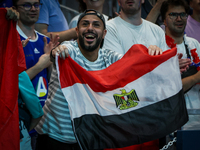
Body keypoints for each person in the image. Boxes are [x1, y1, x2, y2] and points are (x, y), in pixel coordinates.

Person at [35, 9, 163, 150]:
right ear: (77, 31)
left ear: (104, 34)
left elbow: (133, 62)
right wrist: (57, 52)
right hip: (53, 137)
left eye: (96, 25)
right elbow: (60, 51)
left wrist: (150, 52)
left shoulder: (109, 57)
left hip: (88, 139)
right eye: (85, 24)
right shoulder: (69, 51)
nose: (90, 28)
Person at [12, 0, 59, 149]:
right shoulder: (11, 39)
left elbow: (49, 80)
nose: (33, 9)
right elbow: (12, 82)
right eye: (26, 5)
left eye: (36, 5)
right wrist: (41, 65)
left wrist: (50, 63)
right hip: (21, 119)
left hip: (44, 122)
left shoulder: (44, 40)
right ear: (15, 9)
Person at [161, 0, 200, 130]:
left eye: (183, 14)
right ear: (164, 21)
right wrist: (196, 77)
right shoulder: (157, 47)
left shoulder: (194, 43)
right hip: (168, 119)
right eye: (173, 14)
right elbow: (165, 89)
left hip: (196, 117)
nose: (179, 19)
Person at [103, 0, 168, 56]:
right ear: (118, 1)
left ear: (142, 0)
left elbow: (165, 65)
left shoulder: (158, 31)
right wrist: (152, 56)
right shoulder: (109, 28)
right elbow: (119, 65)